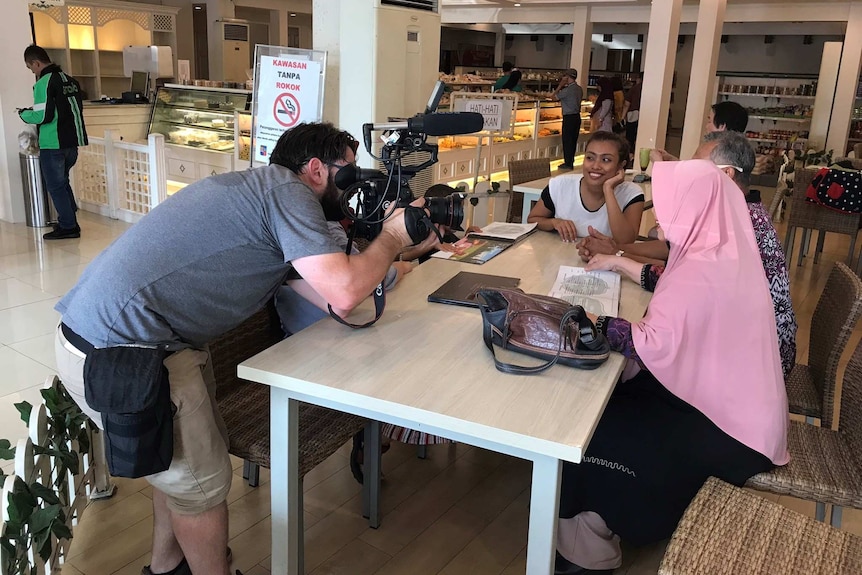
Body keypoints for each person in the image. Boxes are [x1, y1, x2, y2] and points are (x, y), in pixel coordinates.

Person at [53, 122, 438, 575]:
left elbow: (337, 301)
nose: (352, 188)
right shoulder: (289, 194)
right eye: (348, 174)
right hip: (124, 353)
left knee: (178, 473)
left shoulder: (263, 194)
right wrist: (391, 238)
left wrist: (392, 251)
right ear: (315, 169)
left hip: (128, 340)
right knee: (201, 488)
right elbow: (345, 292)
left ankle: (166, 569)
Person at [554, 159, 789, 574]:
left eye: (671, 205)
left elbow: (649, 347)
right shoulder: (721, 250)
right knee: (613, 403)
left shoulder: (704, 268)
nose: (660, 216)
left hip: (731, 429)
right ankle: (585, 531)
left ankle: (588, 547)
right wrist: (620, 264)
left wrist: (589, 321)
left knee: (594, 434)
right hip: (730, 404)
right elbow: (669, 284)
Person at [578, 130, 797, 377]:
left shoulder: (733, 232)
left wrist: (588, 319)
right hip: (746, 357)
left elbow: (655, 344)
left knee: (607, 379)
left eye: (696, 169)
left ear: (726, 174)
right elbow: (684, 279)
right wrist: (619, 261)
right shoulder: (743, 213)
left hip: (740, 372)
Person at [19, 44, 88, 240]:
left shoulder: (44, 83)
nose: (32, 71)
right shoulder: (71, 81)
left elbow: (43, 115)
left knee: (56, 186)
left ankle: (68, 227)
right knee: (63, 183)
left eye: (30, 67)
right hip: (72, 142)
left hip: (53, 143)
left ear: (36, 62)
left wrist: (24, 114)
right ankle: (69, 221)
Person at [526, 131, 644, 243]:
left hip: (607, 261)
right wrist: (553, 222)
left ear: (621, 166)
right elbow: (533, 219)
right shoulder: (560, 185)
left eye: (606, 160)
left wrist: (608, 190)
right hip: (558, 257)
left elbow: (626, 240)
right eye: (590, 158)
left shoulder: (631, 193)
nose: (595, 166)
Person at [651, 100, 749, 162]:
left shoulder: (716, 151)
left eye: (709, 121)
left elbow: (691, 178)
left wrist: (658, 164)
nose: (706, 126)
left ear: (722, 126)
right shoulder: (741, 150)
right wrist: (672, 160)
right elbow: (694, 170)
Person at [554, 69, 584, 171]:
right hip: (577, 117)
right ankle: (571, 161)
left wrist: (560, 86)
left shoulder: (566, 90)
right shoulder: (579, 89)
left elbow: (553, 97)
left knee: (567, 140)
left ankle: (568, 163)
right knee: (573, 140)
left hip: (568, 117)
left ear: (567, 77)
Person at [621, 79, 642, 159]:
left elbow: (627, 104)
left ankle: (631, 155)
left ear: (639, 79)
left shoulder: (634, 88)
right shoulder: (651, 87)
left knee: (630, 136)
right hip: (645, 116)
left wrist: (622, 117)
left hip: (633, 115)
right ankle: (638, 155)